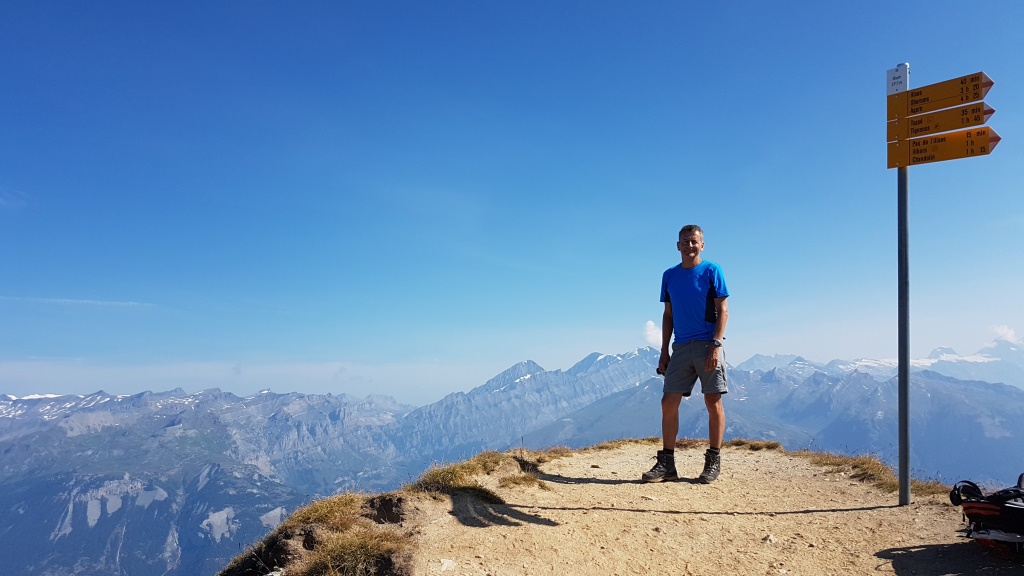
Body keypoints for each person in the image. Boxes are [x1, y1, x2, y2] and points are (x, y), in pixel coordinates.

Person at [643, 224, 730, 484]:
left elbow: (723, 310)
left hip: (707, 344)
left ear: (702, 245)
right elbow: (668, 315)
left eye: (694, 241)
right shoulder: (669, 276)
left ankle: (713, 461)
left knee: (713, 401)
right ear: (677, 245)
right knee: (668, 401)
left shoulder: (712, 271)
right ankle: (667, 464)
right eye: (685, 241)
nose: (690, 246)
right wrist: (664, 351)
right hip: (680, 346)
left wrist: (716, 344)